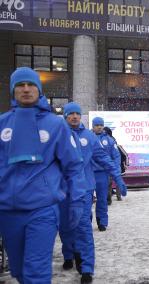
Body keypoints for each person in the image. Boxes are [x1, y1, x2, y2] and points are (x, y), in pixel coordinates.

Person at [0, 67, 87, 283]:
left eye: (31, 85)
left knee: (36, 272)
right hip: (7, 211)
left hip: (42, 209)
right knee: (18, 271)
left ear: (39, 90)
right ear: (13, 90)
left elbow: (74, 166)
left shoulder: (56, 124)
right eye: (20, 85)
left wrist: (77, 200)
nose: (26, 89)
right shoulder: (2, 124)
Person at [59, 103, 127, 283]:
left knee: (83, 227)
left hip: (83, 189)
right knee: (65, 226)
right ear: (65, 116)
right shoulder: (58, 134)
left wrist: (117, 177)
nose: (74, 117)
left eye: (77, 114)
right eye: (71, 113)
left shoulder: (89, 137)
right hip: (62, 190)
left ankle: (86, 266)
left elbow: (104, 158)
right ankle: (69, 253)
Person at [91, 117, 122, 231]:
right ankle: (86, 220)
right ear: (93, 126)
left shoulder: (109, 140)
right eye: (97, 125)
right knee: (87, 199)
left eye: (101, 125)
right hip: (88, 174)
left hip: (103, 174)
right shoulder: (88, 138)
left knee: (102, 198)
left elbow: (116, 156)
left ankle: (102, 221)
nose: (99, 127)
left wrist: (115, 171)